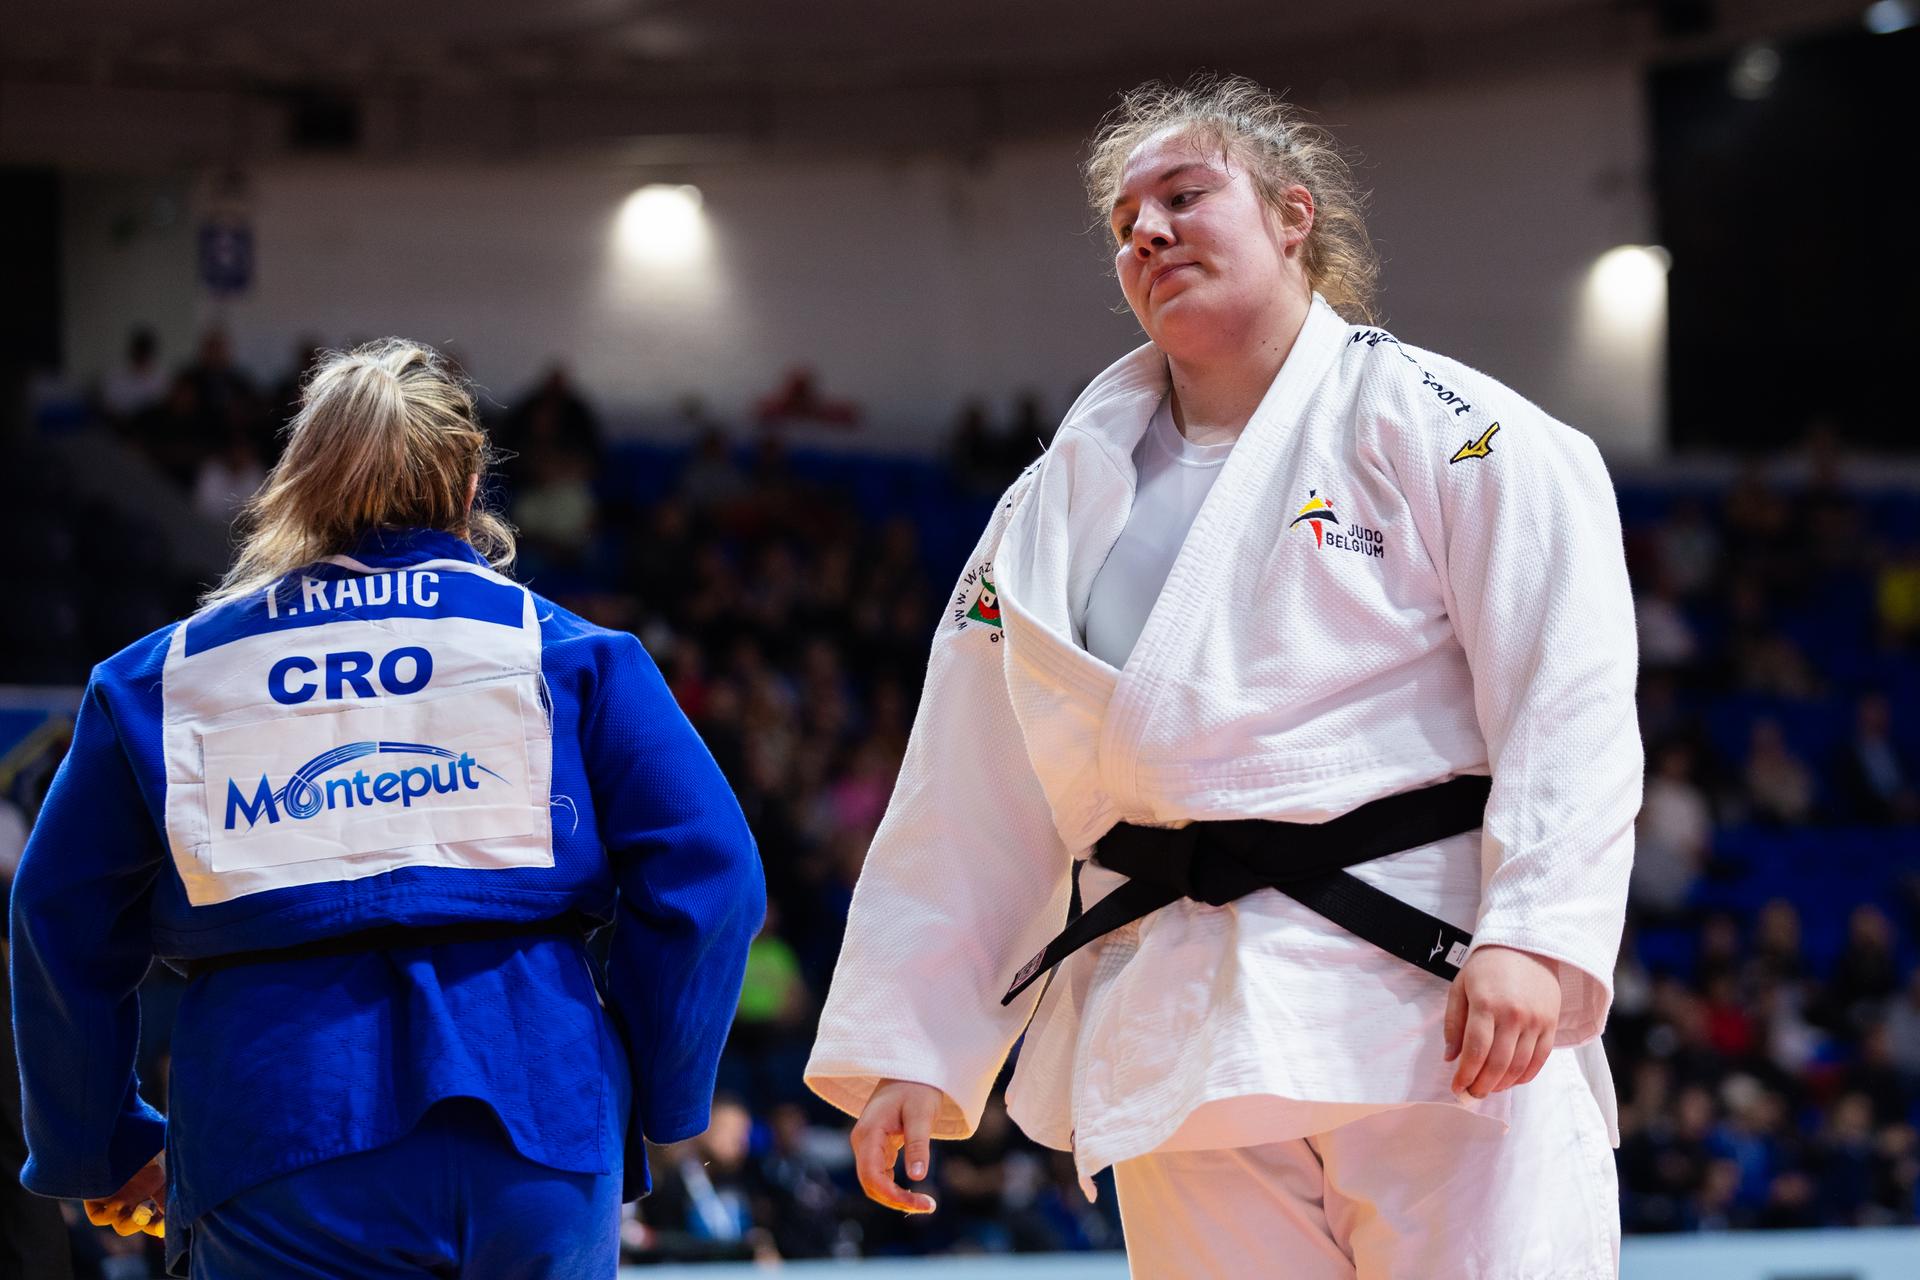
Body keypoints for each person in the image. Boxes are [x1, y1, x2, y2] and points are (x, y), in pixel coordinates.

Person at [806, 76, 1638, 1277]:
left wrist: (1537, 931)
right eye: (1126, 221)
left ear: (1294, 215)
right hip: (1177, 1018)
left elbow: (1569, 690)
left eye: (1185, 195)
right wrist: (917, 1047)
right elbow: (971, 777)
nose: (1147, 231)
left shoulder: (1453, 426)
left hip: (1426, 994)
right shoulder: (1051, 503)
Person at [10, 339, 764, 1278]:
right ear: (472, 480)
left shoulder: (162, 680)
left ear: (299, 476)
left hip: (274, 1126)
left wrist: (98, 1141)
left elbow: (57, 917)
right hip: (541, 1110)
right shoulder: (567, 653)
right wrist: (652, 1092)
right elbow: (714, 876)